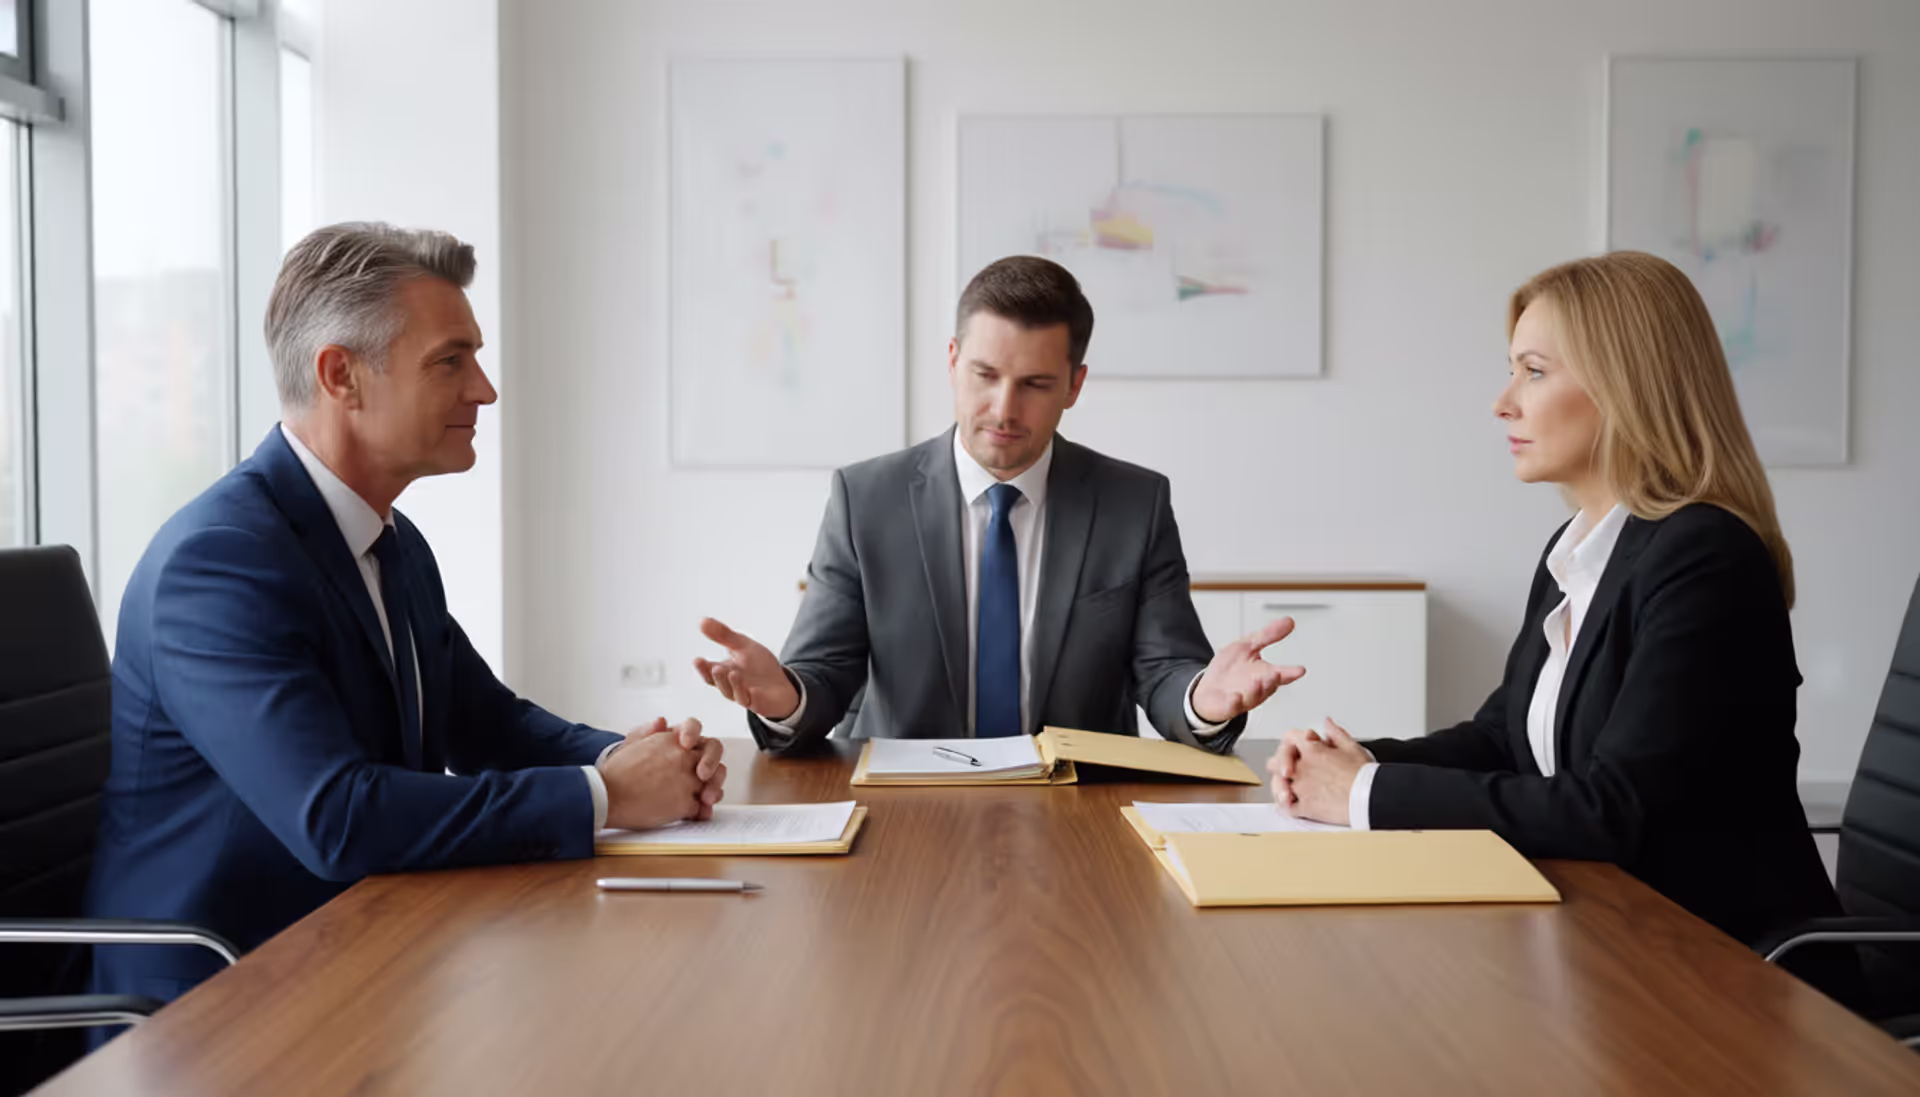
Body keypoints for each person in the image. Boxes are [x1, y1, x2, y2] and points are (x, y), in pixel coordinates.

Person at [85, 223, 725, 1005]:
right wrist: (608, 793)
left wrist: (643, 759)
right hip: (221, 999)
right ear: (341, 375)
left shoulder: (391, 539)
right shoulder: (218, 564)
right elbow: (338, 816)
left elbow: (487, 723)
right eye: (450, 361)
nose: (484, 389)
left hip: (359, 950)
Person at [1271, 251, 1840, 944]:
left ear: (1626, 387)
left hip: (1722, 967)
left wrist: (1363, 792)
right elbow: (1503, 739)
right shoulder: (1578, 551)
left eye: (1533, 372)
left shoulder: (1706, 559)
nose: (1503, 400)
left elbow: (1616, 810)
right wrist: (1351, 761)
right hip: (1610, 937)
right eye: (1512, 370)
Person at [694, 256, 1302, 753]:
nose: (1004, 410)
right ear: (954, 361)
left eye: (1035, 384)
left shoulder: (1134, 504)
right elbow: (822, 677)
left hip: (1078, 814)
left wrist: (1203, 702)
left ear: (1074, 385)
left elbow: (1167, 673)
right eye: (984, 375)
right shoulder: (865, 499)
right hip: (905, 813)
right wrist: (783, 697)